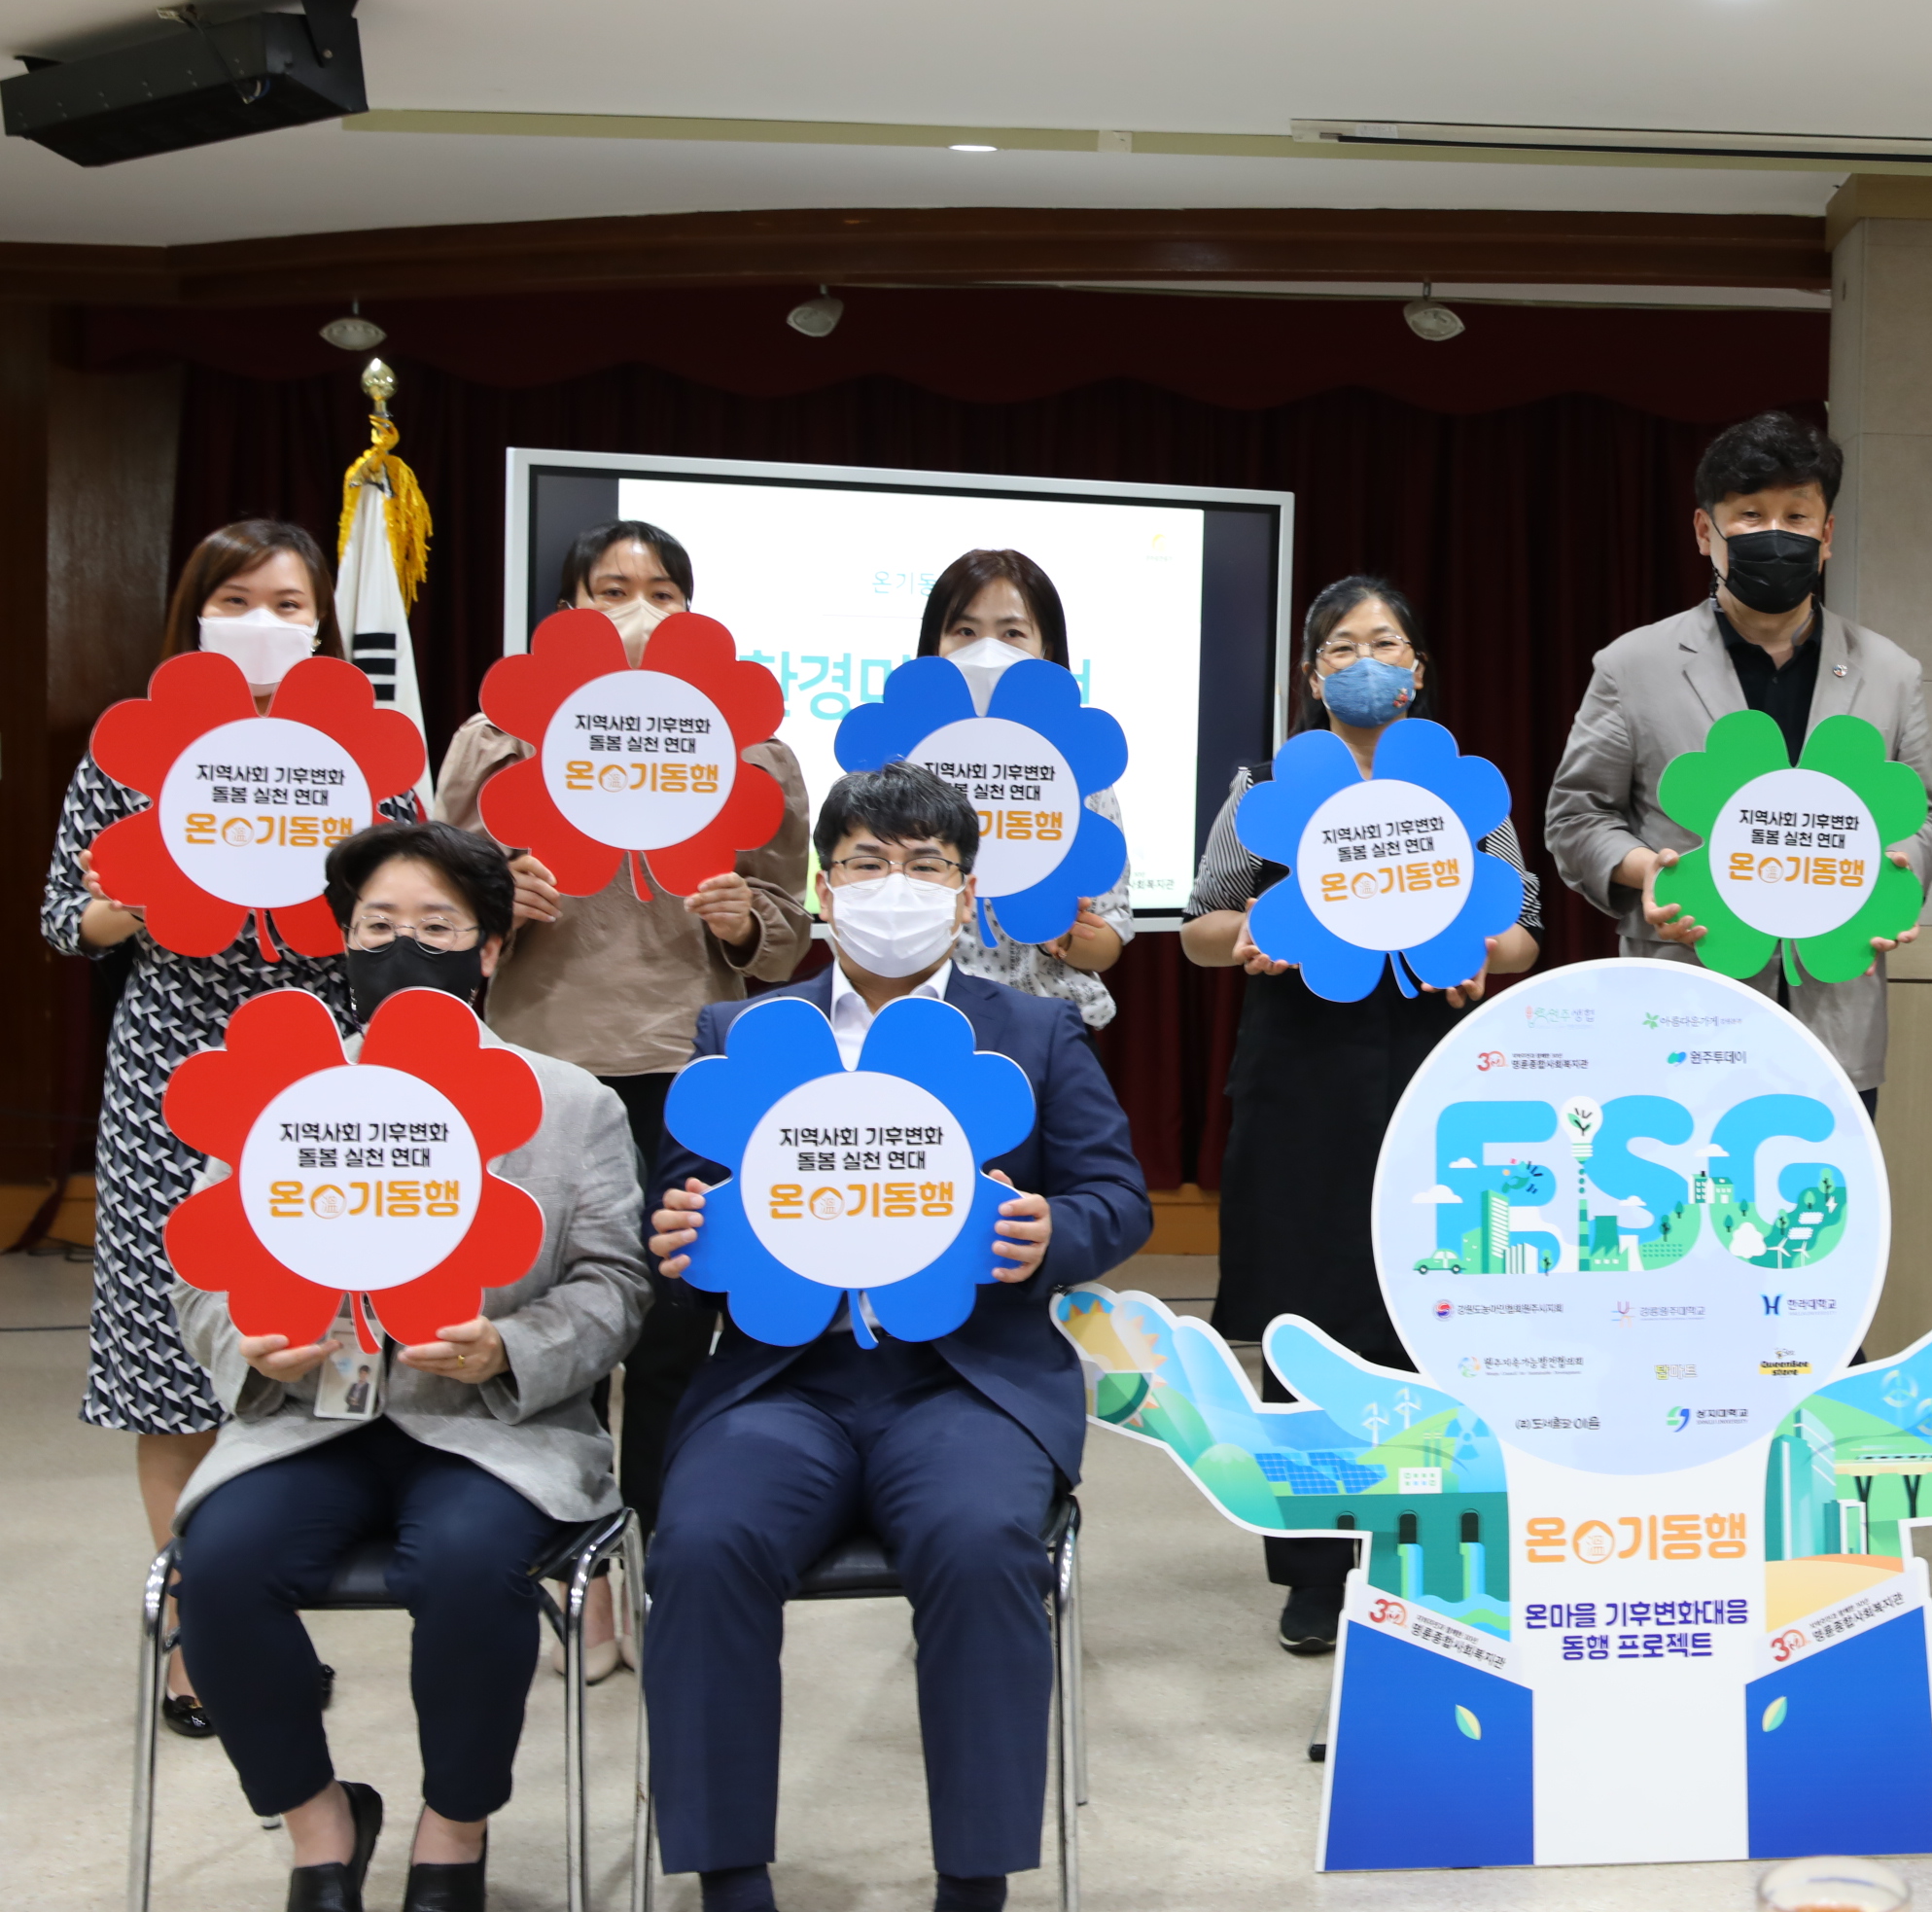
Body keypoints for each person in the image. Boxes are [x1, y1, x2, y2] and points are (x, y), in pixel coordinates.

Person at [643, 761, 1152, 1912]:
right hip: (785, 1383)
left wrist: (1052, 1229)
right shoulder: (742, 1029)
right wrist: (676, 1232)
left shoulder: (1035, 1029)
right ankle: (731, 1881)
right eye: (867, 861)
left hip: (968, 1385)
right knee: (701, 1544)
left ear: (968, 894)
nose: (895, 885)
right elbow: (678, 1215)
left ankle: (974, 1881)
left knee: (981, 1544)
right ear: (824, 888)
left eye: (926, 865)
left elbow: (1117, 1198)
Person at [167, 822, 650, 1912]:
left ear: (489, 948)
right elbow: (200, 1265)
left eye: (438, 926)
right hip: (308, 1414)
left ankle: (452, 1833)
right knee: (221, 1569)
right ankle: (320, 1826)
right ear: (343, 940)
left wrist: (511, 1346)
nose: (404, 947)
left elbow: (616, 1284)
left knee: (469, 1568)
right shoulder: (281, 1090)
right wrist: (248, 1339)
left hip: (493, 1427)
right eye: (378, 924)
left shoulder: (570, 1102)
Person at [40, 517, 423, 1738]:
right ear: (194, 612)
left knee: (318, 1344)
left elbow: (416, 905)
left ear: (323, 623)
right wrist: (128, 906)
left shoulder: (369, 751)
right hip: (173, 1078)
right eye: (237, 598)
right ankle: (193, 1640)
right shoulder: (133, 745)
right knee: (172, 1365)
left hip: (327, 1078)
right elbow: (62, 917)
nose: (263, 620)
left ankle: (274, 1602)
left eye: (288, 602)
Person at [437, 518, 813, 1662]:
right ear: (567, 610)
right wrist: (496, 897)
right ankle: (568, 1564)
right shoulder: (500, 735)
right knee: (547, 1321)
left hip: (685, 1061)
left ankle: (652, 1556)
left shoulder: (750, 746)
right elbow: (437, 909)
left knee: (669, 1330)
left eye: (660, 590)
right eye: (610, 588)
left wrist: (745, 921)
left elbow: (787, 925)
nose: (636, 608)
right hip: (540, 1064)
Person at [1179, 574, 1541, 1654]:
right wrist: (1249, 931)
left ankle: (1423, 1549)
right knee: (1306, 1316)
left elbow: (1523, 930)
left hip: (1432, 1071)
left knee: (1429, 1308)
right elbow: (1199, 928)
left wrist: (1483, 950)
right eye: (1342, 645)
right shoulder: (1266, 786)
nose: (1364, 661)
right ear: (1312, 672)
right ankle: (1311, 1569)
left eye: (1385, 643)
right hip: (1299, 1075)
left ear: (1417, 669)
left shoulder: (1464, 788)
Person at [1544, 409, 1932, 1106]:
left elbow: (1925, 818)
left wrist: (1899, 869)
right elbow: (1577, 817)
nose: (1775, 534)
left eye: (1797, 516)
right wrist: (1647, 872)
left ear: (1826, 535)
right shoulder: (1633, 665)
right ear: (1707, 531)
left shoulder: (1890, 671)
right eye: (1751, 515)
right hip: (1682, 1007)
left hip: (1835, 1012)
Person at [912, 549, 1133, 1029]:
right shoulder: (896, 768)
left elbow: (1108, 941)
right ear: (935, 645)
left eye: (1012, 633)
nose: (987, 650)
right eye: (965, 631)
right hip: (924, 1020)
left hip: (1049, 1026)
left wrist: (1065, 934)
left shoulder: (1078, 771)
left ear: (1045, 649)